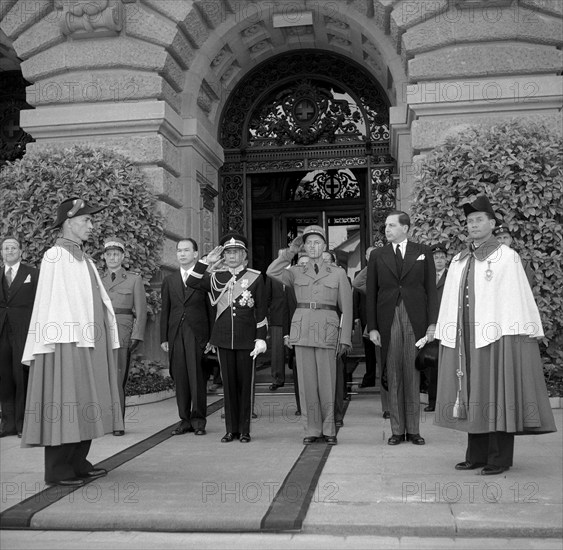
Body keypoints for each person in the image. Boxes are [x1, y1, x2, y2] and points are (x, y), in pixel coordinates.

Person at [434, 194, 556, 475]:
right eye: (469, 221)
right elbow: (450, 300)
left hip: (496, 338)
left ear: (492, 223)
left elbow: (514, 302)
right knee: (472, 394)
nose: (473, 225)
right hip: (465, 340)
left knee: (496, 395)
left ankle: (498, 459)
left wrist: (509, 335)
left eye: (479, 220)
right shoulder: (459, 259)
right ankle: (475, 455)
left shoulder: (506, 257)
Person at [21, 198, 123, 487]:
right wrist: (61, 343)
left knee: (87, 400)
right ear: (68, 221)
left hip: (89, 340)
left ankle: (78, 461)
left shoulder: (84, 258)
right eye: (86, 220)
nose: (91, 225)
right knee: (65, 399)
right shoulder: (55, 256)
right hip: (67, 342)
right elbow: (51, 305)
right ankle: (57, 469)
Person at [267, 225, 353, 446]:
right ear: (304, 247)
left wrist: (345, 338)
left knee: (327, 382)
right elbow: (272, 271)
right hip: (303, 328)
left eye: (317, 242)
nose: (313, 247)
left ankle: (329, 428)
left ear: (325, 246)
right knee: (306, 385)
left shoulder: (338, 272)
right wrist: (290, 251)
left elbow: (347, 308)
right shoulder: (295, 271)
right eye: (309, 243)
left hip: (327, 328)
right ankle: (312, 429)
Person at [364, 211, 438, 446]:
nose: (387, 229)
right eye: (386, 225)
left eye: (392, 225)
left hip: (416, 319)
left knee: (412, 374)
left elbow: (431, 290)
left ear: (405, 228)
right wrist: (372, 327)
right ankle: (397, 430)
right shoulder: (377, 255)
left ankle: (414, 430)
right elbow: (371, 294)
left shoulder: (423, 252)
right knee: (393, 374)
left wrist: (432, 323)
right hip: (388, 319)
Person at [189, 233, 267, 443]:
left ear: (244, 255)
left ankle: (244, 430)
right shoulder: (216, 276)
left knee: (244, 385)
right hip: (223, 338)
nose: (232, 256)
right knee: (229, 386)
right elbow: (191, 281)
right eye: (228, 252)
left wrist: (261, 338)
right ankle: (230, 429)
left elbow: (261, 310)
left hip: (246, 338)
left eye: (236, 252)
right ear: (223, 255)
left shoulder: (256, 277)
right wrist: (206, 262)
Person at [160, 238, 212, 436]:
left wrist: (211, 338)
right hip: (175, 334)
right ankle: (185, 420)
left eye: (187, 250)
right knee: (180, 377)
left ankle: (199, 420)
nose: (182, 254)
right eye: (179, 250)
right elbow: (165, 310)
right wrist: (163, 337)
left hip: (197, 333)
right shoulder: (170, 280)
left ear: (196, 254)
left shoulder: (204, 278)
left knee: (197, 377)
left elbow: (211, 310)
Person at [101, 237, 147, 435]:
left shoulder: (134, 279)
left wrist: (137, 335)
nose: (112, 257)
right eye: (109, 254)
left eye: (116, 254)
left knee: (119, 378)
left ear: (122, 256)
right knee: (101, 378)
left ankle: (118, 423)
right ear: (104, 257)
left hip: (122, 331)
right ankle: (102, 423)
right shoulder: (96, 279)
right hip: (100, 332)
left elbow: (141, 310)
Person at [0, 237, 39, 437]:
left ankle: (23, 424)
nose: (9, 251)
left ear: (21, 251)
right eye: (6, 248)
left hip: (24, 330)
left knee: (21, 376)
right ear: (1, 252)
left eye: (13, 247)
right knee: (4, 377)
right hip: (1, 332)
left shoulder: (32, 273)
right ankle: (7, 425)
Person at [352, 247, 389, 419]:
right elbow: (357, 283)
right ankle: (388, 406)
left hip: (399, 327)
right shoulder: (371, 282)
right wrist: (373, 262)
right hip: (379, 330)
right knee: (383, 368)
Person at [419, 242, 449, 412]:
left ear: (446, 259)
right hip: (429, 325)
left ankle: (446, 400)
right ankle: (432, 400)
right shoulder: (425, 277)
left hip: (447, 325)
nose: (438, 260)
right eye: (435, 257)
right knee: (430, 363)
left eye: (441, 257)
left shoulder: (452, 276)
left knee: (447, 364)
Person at [265, 275, 288, 391]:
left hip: (297, 315)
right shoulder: (271, 275)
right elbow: (266, 297)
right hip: (278, 316)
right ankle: (277, 379)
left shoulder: (297, 270)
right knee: (277, 351)